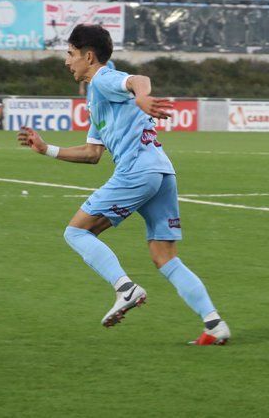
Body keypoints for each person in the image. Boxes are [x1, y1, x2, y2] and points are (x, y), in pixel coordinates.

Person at [18, 24, 229, 345]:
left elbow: (138, 81)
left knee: (76, 232)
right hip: (161, 173)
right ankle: (214, 325)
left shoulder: (103, 78)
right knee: (164, 256)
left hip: (137, 172)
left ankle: (125, 288)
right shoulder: (95, 95)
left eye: (71, 54)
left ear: (89, 56)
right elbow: (92, 154)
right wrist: (47, 149)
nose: (66, 61)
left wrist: (142, 97)